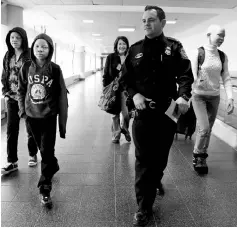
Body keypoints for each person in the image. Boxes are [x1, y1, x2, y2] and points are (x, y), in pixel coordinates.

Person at [120, 5, 194, 226]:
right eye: (143, 20)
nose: (145, 23)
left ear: (163, 22)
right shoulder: (134, 50)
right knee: (143, 159)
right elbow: (125, 80)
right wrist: (134, 96)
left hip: (166, 114)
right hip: (143, 115)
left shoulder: (174, 47)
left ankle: (156, 180)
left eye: (151, 19)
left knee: (160, 158)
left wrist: (183, 96)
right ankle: (143, 207)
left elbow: (185, 74)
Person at [17, 33, 68, 206]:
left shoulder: (54, 69)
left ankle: (45, 188)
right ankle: (53, 164)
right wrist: (22, 111)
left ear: (50, 49)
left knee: (46, 150)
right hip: (31, 116)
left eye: (44, 47)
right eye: (37, 46)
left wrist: (60, 116)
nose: (40, 50)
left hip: (48, 116)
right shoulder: (25, 67)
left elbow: (60, 93)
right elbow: (21, 90)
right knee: (43, 150)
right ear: (33, 47)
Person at [191, 24, 234, 175]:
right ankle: (197, 155)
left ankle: (202, 157)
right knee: (204, 128)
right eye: (219, 35)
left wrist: (230, 98)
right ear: (209, 34)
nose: (222, 39)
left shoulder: (222, 56)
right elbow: (193, 76)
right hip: (199, 96)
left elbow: (226, 77)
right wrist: (198, 81)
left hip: (215, 97)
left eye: (224, 36)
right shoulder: (198, 52)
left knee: (208, 129)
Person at [1, 27, 38, 175]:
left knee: (30, 128)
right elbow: (5, 73)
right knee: (11, 129)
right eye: (11, 38)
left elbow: (35, 73)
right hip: (11, 97)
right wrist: (5, 91)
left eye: (17, 37)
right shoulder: (8, 55)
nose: (14, 40)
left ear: (23, 38)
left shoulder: (29, 54)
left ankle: (32, 154)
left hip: (27, 98)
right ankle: (12, 161)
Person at [102, 36, 131, 143]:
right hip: (113, 89)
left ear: (127, 46)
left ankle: (125, 129)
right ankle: (116, 135)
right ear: (116, 45)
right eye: (120, 44)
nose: (122, 46)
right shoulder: (111, 57)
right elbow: (105, 73)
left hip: (126, 89)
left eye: (124, 44)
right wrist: (105, 88)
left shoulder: (130, 57)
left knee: (127, 113)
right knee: (114, 113)